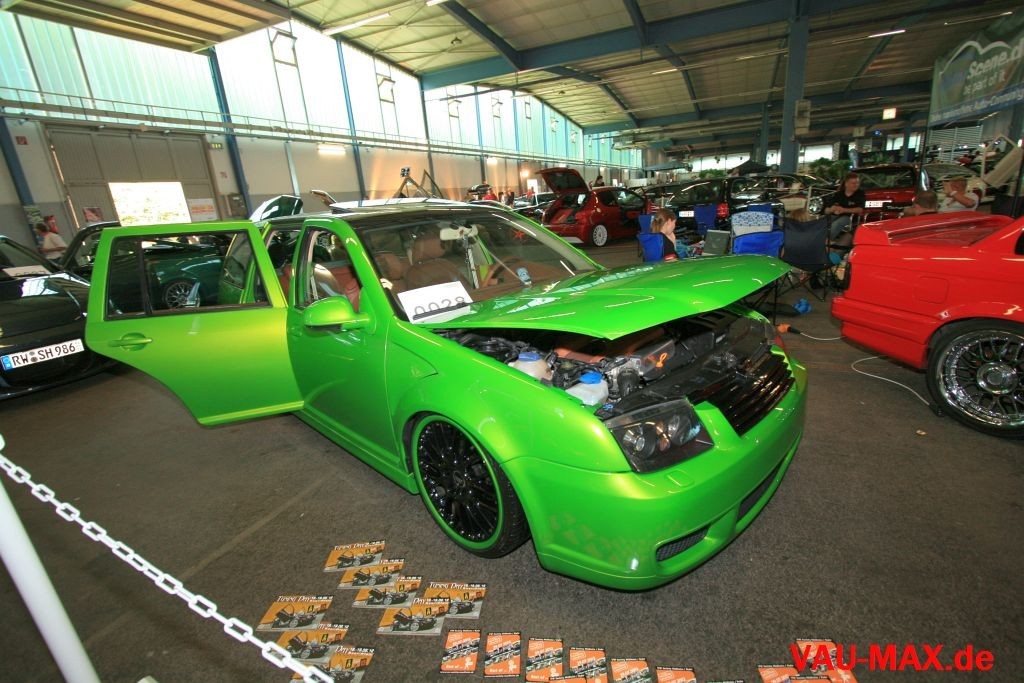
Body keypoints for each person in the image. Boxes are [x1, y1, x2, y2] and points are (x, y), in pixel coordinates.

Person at [824, 173, 865, 239]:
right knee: (822, 224)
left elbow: (860, 209)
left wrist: (843, 210)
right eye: (853, 183)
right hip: (835, 215)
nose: (856, 185)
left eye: (857, 183)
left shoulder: (860, 194)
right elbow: (826, 209)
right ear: (846, 184)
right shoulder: (839, 194)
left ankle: (826, 240)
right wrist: (831, 209)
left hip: (849, 217)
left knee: (835, 225)